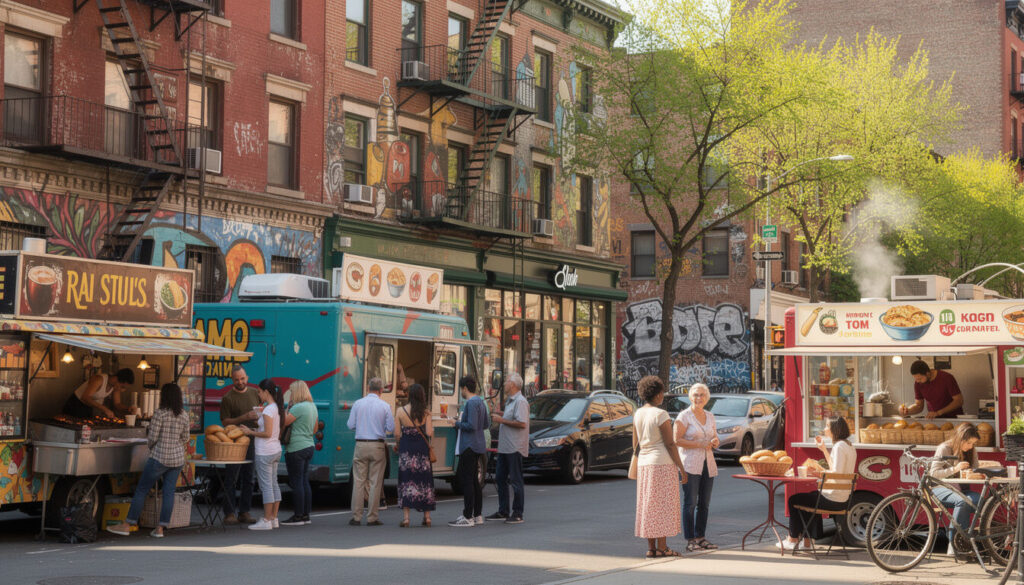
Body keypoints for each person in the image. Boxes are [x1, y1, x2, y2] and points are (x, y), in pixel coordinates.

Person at [106, 383, 189, 538]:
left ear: (164, 397)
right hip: (177, 459)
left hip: (159, 458)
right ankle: (160, 528)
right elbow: (186, 438)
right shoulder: (184, 415)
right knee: (168, 492)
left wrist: (152, 447)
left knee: (142, 489)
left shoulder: (160, 413)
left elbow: (152, 438)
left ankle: (127, 524)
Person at [780, 416, 856, 550]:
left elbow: (837, 473)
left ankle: (792, 539)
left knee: (793, 500)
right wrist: (824, 450)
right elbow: (836, 469)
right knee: (809, 498)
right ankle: (807, 542)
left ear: (834, 429)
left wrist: (817, 473)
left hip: (833, 498)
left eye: (827, 426)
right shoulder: (849, 446)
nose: (825, 429)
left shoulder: (839, 446)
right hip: (843, 499)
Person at [633, 375, 688, 558]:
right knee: (663, 506)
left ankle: (651, 548)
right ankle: (663, 548)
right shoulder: (660, 414)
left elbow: (635, 443)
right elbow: (670, 444)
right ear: (657, 395)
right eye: (662, 392)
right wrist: (681, 468)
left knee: (648, 504)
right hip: (662, 463)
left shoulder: (638, 413)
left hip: (644, 463)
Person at [674, 382, 719, 552]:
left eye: (702, 395)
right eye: (696, 395)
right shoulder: (684, 416)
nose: (699, 398)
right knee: (690, 502)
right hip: (690, 464)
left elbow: (715, 437)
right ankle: (690, 539)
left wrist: (715, 441)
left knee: (704, 503)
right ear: (690, 397)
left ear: (706, 398)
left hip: (708, 463)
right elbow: (676, 440)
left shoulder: (710, 415)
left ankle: (701, 537)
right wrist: (697, 443)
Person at [347, 377, 394, 526]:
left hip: (360, 444)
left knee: (359, 481)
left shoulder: (358, 404)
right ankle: (372, 517)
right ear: (381, 390)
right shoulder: (385, 406)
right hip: (377, 445)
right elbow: (391, 428)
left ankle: (356, 516)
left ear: (368, 388)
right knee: (375, 482)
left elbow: (350, 425)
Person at [930, 422, 982, 555]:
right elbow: (934, 474)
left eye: (973, 444)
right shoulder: (944, 448)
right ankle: (954, 543)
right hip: (940, 488)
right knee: (963, 501)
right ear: (960, 439)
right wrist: (955, 468)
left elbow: (975, 468)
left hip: (962, 490)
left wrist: (974, 473)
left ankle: (970, 540)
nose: (971, 446)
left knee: (985, 501)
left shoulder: (971, 451)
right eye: (969, 443)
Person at [217, 365, 260, 525]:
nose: (240, 382)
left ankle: (245, 511)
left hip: (251, 440)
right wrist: (243, 418)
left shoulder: (255, 393)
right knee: (231, 477)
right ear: (232, 380)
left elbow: (262, 411)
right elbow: (225, 421)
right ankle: (229, 513)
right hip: (234, 443)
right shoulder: (228, 398)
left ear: (247, 377)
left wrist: (258, 420)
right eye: (237, 379)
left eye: (242, 378)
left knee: (249, 477)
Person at [486, 372, 529, 524]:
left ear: (513, 385)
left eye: (506, 382)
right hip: (505, 446)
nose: (504, 384)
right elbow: (512, 417)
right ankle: (503, 510)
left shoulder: (520, 401)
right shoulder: (511, 401)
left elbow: (522, 423)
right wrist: (500, 414)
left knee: (516, 480)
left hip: (514, 446)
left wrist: (501, 420)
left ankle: (518, 512)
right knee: (500, 478)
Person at [241, 379, 284, 530]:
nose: (258, 395)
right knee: (273, 484)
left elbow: (267, 432)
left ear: (266, 392)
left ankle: (266, 520)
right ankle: (273, 518)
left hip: (265, 451)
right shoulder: (275, 408)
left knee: (266, 486)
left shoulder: (268, 410)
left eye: (259, 392)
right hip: (275, 450)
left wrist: (249, 432)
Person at [447, 375, 487, 527]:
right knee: (475, 482)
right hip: (479, 444)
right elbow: (485, 424)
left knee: (467, 480)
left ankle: (467, 515)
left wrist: (455, 423)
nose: (461, 392)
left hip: (468, 445)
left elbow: (471, 425)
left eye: (461, 389)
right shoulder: (481, 402)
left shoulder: (470, 403)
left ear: (465, 388)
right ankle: (477, 514)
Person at [396, 383, 435, 527]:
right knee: (424, 480)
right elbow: (429, 433)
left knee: (407, 481)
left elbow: (397, 433)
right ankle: (427, 517)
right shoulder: (426, 412)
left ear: (410, 395)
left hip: (406, 449)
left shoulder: (400, 411)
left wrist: (398, 445)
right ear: (422, 396)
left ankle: (406, 518)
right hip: (421, 450)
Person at [282, 380, 318, 526]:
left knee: (296, 481)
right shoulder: (312, 406)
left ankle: (297, 516)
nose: (289, 394)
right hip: (309, 445)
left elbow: (284, 422)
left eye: (291, 392)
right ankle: (306, 515)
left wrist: (288, 407)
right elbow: (315, 429)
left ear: (296, 392)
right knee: (304, 481)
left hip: (296, 447)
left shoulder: (298, 407)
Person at [899, 360, 964, 418]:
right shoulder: (918, 383)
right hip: (934, 420)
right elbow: (919, 406)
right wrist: (908, 410)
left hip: (954, 418)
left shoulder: (947, 378)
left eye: (920, 378)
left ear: (927, 373)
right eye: (915, 379)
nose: (918, 381)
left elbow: (959, 401)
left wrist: (938, 412)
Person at [62, 368, 134, 418]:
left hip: (88, 407)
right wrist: (105, 409)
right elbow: (85, 397)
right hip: (75, 404)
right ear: (117, 379)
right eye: (122, 387)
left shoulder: (115, 386)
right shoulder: (99, 379)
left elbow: (117, 404)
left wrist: (128, 408)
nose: (122, 390)